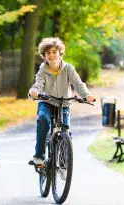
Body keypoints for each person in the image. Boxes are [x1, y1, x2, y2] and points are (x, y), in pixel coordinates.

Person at [28, 37, 96, 165]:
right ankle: (39, 156)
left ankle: (64, 161)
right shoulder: (43, 70)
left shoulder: (68, 68)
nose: (51, 55)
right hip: (46, 102)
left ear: (60, 53)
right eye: (48, 53)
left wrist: (87, 95)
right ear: (44, 56)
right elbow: (38, 83)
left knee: (65, 129)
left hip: (64, 104)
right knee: (43, 120)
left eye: (54, 52)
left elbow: (78, 84)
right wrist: (34, 92)